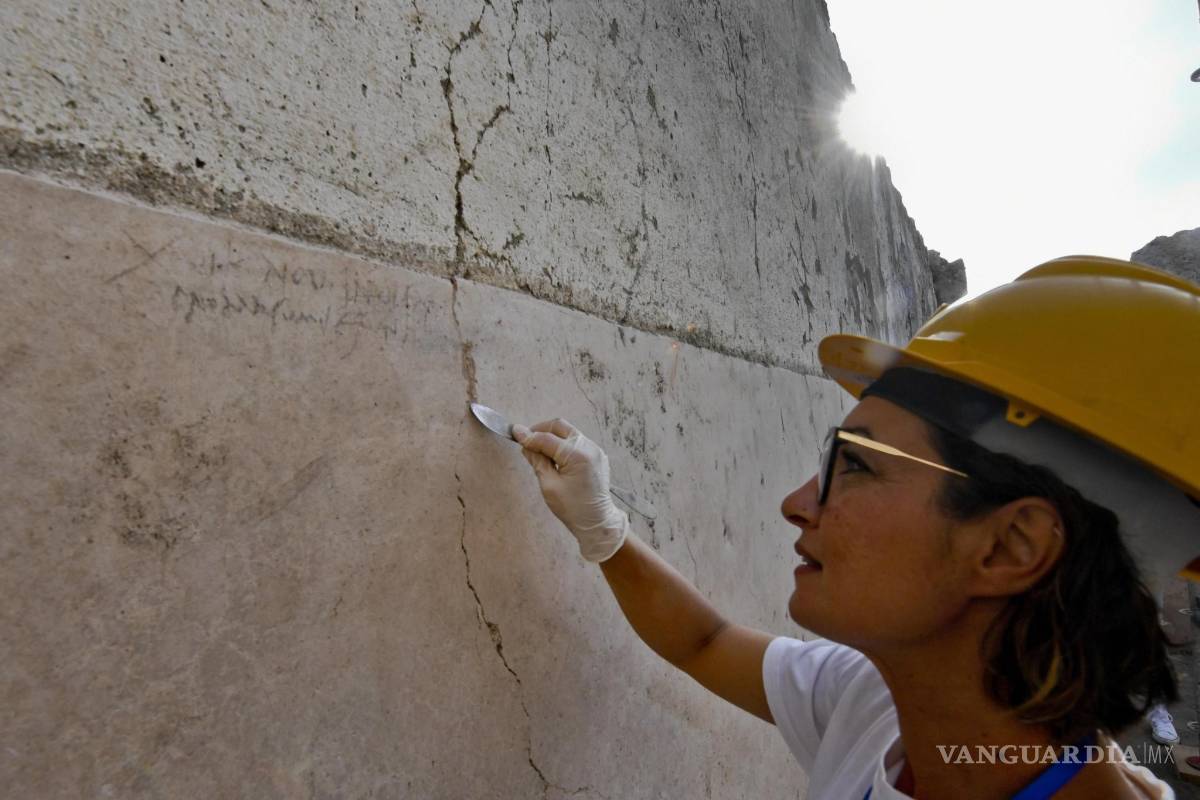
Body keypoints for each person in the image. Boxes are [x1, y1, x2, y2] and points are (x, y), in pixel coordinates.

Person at [512, 256, 1200, 799]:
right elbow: (704, 641)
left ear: (1010, 545)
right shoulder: (883, 706)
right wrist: (602, 529)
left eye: (859, 465)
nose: (796, 501)